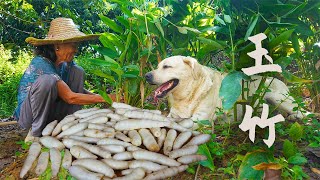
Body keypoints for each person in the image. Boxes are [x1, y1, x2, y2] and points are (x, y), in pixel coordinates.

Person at [13, 17, 106, 142]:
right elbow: (69, 96)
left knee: (78, 71)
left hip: (50, 111)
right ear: (57, 46)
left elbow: (73, 89)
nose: (76, 49)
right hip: (29, 115)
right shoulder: (41, 63)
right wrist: (105, 98)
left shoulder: (66, 65)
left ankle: (68, 124)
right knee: (47, 81)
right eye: (73, 45)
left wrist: (102, 97)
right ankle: (35, 133)